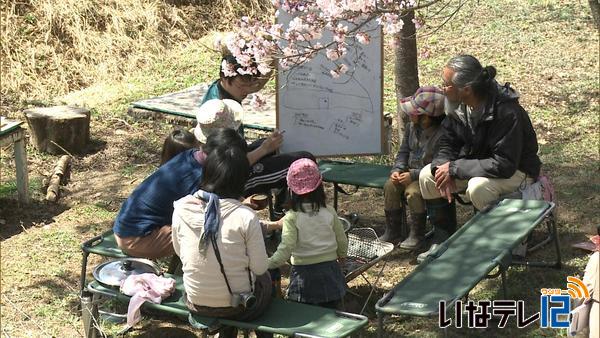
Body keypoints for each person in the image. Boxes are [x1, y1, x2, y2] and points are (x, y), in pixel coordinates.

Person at [418, 54, 542, 260]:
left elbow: (504, 165)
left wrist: (455, 168)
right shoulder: (458, 107)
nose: (442, 89)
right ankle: (443, 240)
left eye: (446, 84)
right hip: (481, 166)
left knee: (478, 187)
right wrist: (441, 168)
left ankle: (497, 245)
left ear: (466, 89)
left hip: (518, 171)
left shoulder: (506, 112)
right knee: (427, 176)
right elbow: (447, 143)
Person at [171, 146, 272, 338]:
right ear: (242, 179)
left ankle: (226, 333)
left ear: (207, 173)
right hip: (237, 306)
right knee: (266, 279)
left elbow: (178, 251)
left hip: (195, 301)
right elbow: (259, 268)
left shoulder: (182, 207)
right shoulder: (245, 216)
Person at [113, 128, 246, 259]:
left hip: (127, 228)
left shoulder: (191, 154)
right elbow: (213, 214)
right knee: (214, 231)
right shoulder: (198, 178)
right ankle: (200, 276)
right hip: (137, 239)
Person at [194, 98, 315, 218]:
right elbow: (233, 166)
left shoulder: (201, 149)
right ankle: (290, 210)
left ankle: (280, 198)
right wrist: (264, 149)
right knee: (305, 161)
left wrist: (265, 147)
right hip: (233, 181)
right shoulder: (221, 158)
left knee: (269, 145)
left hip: (231, 172)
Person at [268, 159, 348, 309]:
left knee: (304, 315)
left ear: (291, 190)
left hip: (304, 274)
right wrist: (342, 256)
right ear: (320, 187)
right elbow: (341, 238)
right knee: (332, 311)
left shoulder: (292, 216)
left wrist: (269, 263)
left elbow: (286, 246)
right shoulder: (329, 211)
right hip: (330, 269)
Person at [381, 86, 446, 249]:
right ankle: (393, 231)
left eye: (415, 112)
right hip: (407, 172)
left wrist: (414, 175)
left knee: (413, 193)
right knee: (390, 186)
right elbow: (403, 151)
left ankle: (417, 233)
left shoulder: (442, 134)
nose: (410, 115)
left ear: (427, 117)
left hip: (425, 176)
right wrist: (397, 169)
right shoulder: (411, 128)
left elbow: (439, 163)